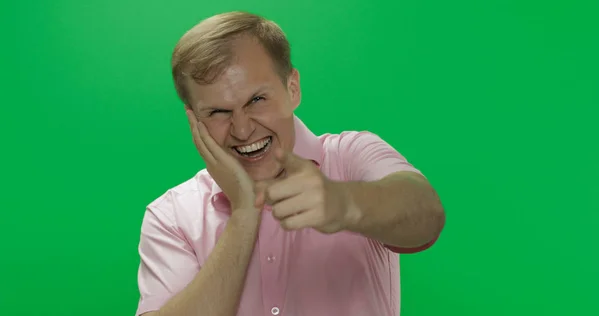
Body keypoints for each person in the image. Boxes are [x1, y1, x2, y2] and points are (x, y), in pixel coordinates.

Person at [135, 11, 445, 316]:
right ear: (194, 120)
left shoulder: (351, 156)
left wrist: (344, 203)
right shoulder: (171, 217)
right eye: (218, 111)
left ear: (292, 88)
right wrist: (245, 212)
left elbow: (427, 215)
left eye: (257, 100)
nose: (242, 130)